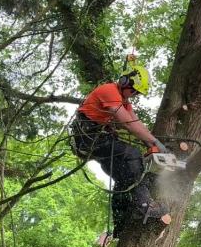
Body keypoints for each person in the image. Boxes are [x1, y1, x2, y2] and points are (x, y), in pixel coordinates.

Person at [71, 59, 169, 231]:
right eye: (134, 91)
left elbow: (135, 121)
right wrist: (154, 142)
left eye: (136, 93)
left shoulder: (124, 101)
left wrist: (152, 143)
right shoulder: (110, 91)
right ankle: (145, 206)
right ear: (125, 82)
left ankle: (121, 224)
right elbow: (129, 124)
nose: (134, 95)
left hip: (97, 138)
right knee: (133, 155)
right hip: (89, 137)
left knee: (123, 175)